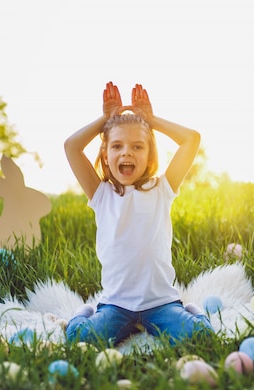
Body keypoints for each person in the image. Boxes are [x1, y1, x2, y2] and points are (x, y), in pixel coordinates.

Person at [64, 81, 213, 347]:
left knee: (200, 337)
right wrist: (104, 120)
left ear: (149, 154)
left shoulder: (162, 189)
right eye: (117, 146)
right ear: (106, 155)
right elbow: (71, 146)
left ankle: (192, 311)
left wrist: (152, 121)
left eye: (137, 146)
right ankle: (85, 312)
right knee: (80, 337)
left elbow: (192, 139)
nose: (126, 152)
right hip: (116, 306)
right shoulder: (101, 194)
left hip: (161, 304)